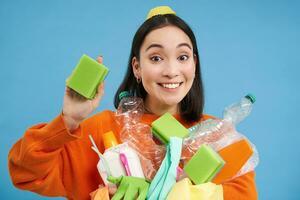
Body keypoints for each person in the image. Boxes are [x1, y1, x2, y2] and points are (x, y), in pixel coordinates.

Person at [8, 6, 258, 200]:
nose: (172, 70)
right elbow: (25, 173)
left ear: (194, 63)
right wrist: (68, 121)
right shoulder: (102, 129)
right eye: (156, 58)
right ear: (137, 68)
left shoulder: (218, 137)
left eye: (182, 56)